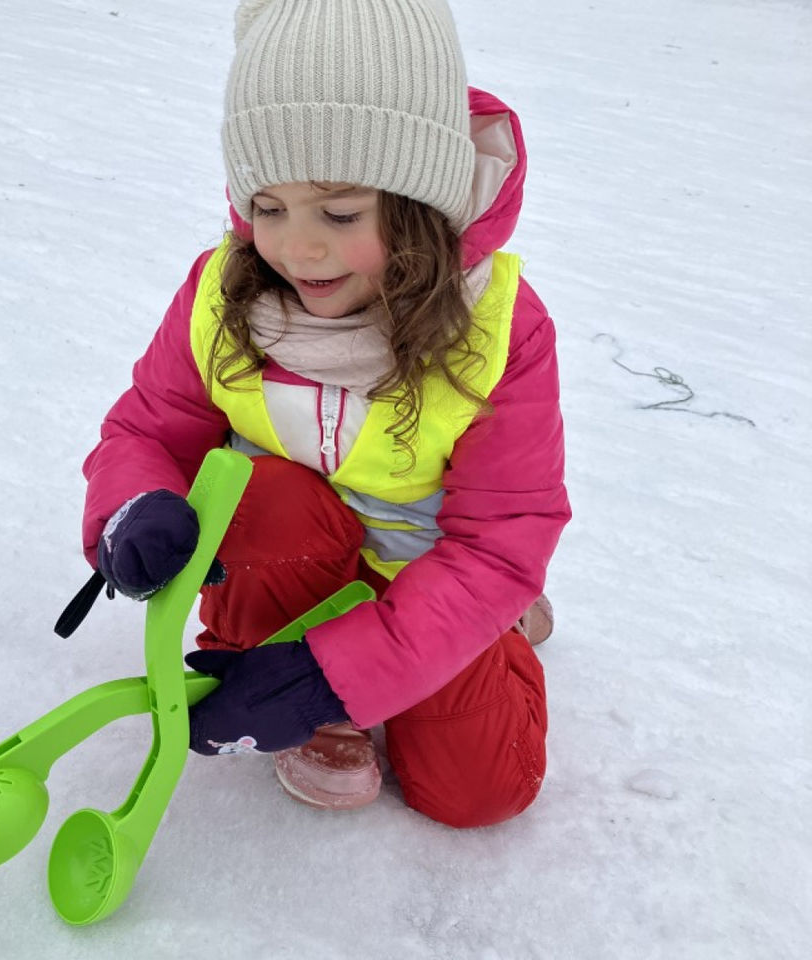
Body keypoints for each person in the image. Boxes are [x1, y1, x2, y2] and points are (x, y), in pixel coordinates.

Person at [81, 0, 570, 828]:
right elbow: (148, 430)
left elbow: (499, 539)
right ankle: (288, 676)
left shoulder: (501, 329)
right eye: (267, 208)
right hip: (286, 568)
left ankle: (497, 635)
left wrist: (338, 670)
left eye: (340, 214)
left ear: (420, 202)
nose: (297, 249)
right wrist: (132, 510)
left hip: (429, 582)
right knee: (258, 490)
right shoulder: (222, 292)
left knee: (480, 793)